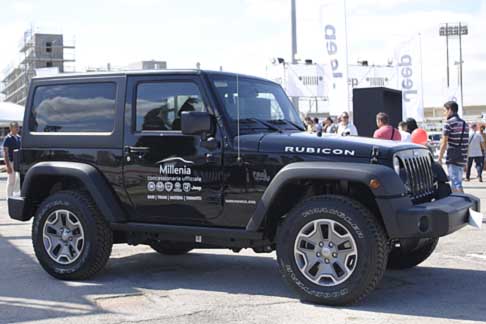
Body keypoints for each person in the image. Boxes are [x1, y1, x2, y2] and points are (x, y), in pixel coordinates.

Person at [438, 101, 469, 192]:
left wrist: (440, 157)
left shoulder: (448, 123)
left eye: (444, 111)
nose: (444, 113)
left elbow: (444, 142)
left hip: (453, 157)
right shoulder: (464, 124)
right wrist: (466, 160)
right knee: (458, 181)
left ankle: (463, 203)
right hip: (462, 156)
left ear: (450, 110)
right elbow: (466, 143)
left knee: (455, 183)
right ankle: (461, 202)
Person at [3, 121, 21, 197]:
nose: (17, 128)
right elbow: (5, 153)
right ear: (11, 128)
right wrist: (8, 166)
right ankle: (9, 197)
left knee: (18, 180)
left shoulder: (19, 137)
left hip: (18, 162)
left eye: (18, 127)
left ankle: (15, 195)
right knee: (11, 181)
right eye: (15, 127)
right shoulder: (7, 138)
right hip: (11, 162)